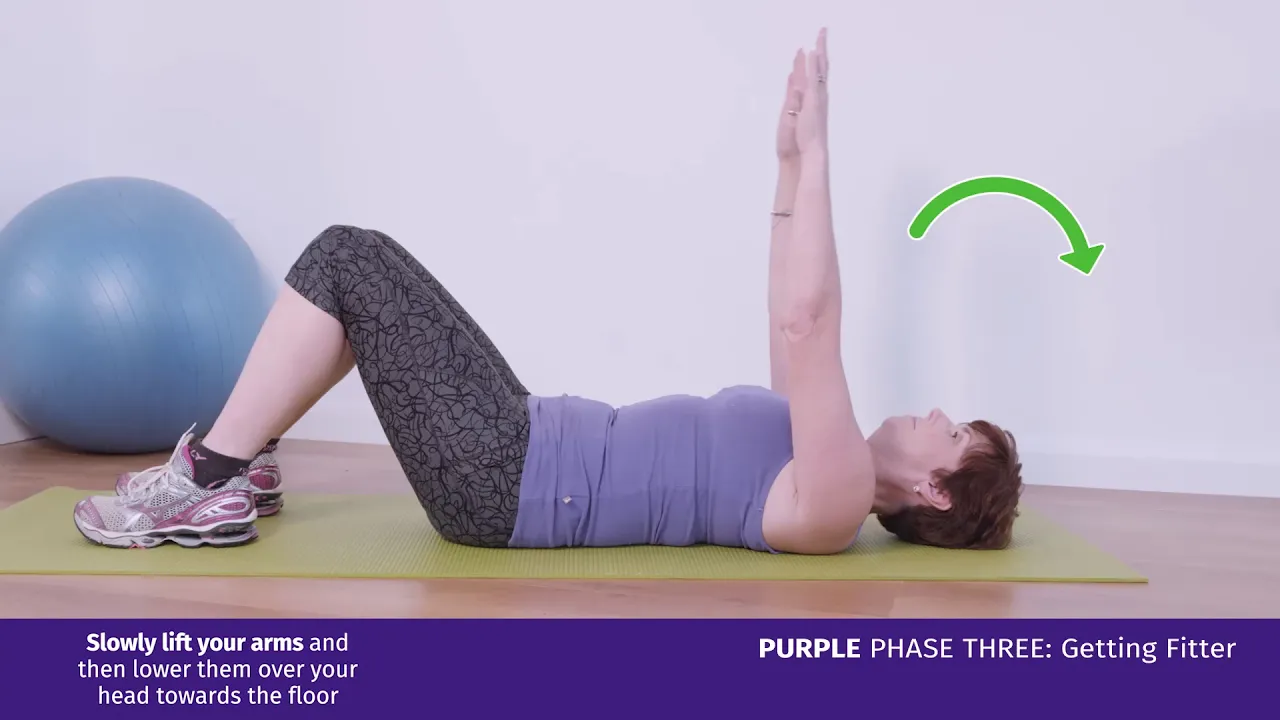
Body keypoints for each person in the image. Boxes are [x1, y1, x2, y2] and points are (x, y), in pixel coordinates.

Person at [73, 29, 1022, 554]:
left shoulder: (838, 494)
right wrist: (785, 169)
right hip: (525, 442)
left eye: (952, 430)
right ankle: (245, 463)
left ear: (933, 490)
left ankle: (206, 483)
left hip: (508, 484)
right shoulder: (820, 453)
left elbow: (807, 321)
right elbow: (788, 312)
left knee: (347, 258)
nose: (936, 413)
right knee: (359, 266)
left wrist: (822, 157)